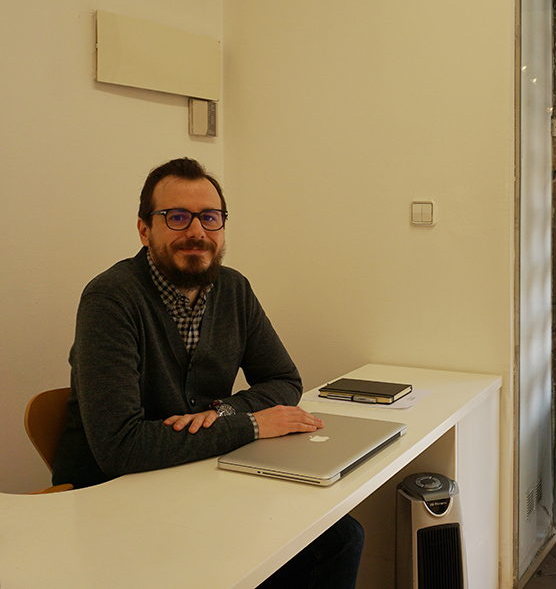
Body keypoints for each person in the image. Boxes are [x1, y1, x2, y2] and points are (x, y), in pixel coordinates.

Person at [52, 157, 363, 588]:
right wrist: (251, 425)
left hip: (197, 476)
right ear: (144, 230)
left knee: (340, 536)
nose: (196, 231)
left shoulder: (234, 289)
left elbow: (284, 381)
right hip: (115, 496)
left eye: (210, 218)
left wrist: (224, 413)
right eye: (177, 217)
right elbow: (120, 447)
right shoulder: (111, 298)